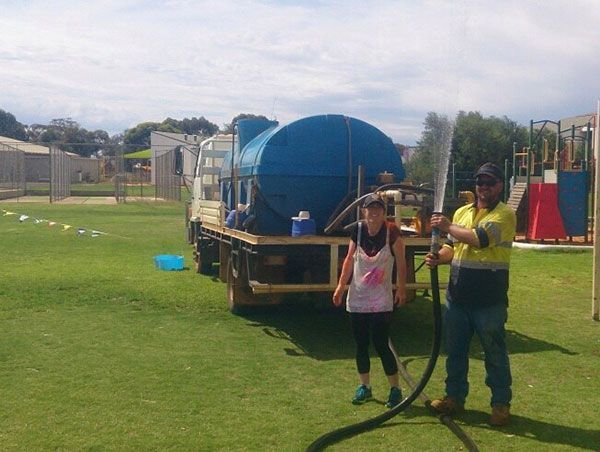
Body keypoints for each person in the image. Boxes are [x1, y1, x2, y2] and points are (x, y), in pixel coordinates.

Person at [425, 162, 516, 426]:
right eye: (480, 182)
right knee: (454, 352)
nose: (484, 187)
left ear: (500, 186)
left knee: (495, 354)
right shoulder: (463, 212)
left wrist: (446, 225)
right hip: (458, 297)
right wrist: (438, 258)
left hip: (489, 300)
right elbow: (452, 247)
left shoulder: (505, 215)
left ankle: (500, 404)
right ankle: (454, 398)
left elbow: (479, 239)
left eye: (489, 183)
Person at [333, 193, 408, 408]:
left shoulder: (391, 232)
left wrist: (401, 289)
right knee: (361, 344)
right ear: (364, 211)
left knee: (381, 343)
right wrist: (340, 286)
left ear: (384, 213)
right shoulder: (357, 231)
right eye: (370, 209)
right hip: (358, 297)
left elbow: (402, 263)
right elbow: (349, 259)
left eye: (378, 209)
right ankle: (364, 386)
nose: (374, 213)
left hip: (380, 299)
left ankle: (395, 389)